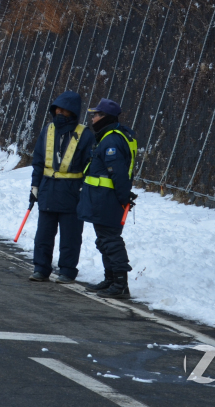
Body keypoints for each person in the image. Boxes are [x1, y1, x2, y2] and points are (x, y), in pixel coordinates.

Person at [29, 91, 95, 283]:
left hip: (72, 192)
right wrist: (34, 185)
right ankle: (41, 269)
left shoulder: (85, 135)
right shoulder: (47, 130)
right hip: (48, 190)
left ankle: (67, 271)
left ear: (72, 112)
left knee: (71, 237)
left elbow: (90, 166)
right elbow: (38, 161)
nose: (59, 112)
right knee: (43, 235)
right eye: (57, 109)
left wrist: (84, 190)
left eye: (63, 110)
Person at [78, 98, 137, 299]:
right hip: (101, 199)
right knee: (104, 240)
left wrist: (123, 198)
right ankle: (110, 279)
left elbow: (118, 173)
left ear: (105, 117)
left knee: (111, 241)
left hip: (108, 200)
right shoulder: (108, 137)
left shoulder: (111, 140)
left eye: (96, 115)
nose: (93, 118)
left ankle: (120, 284)